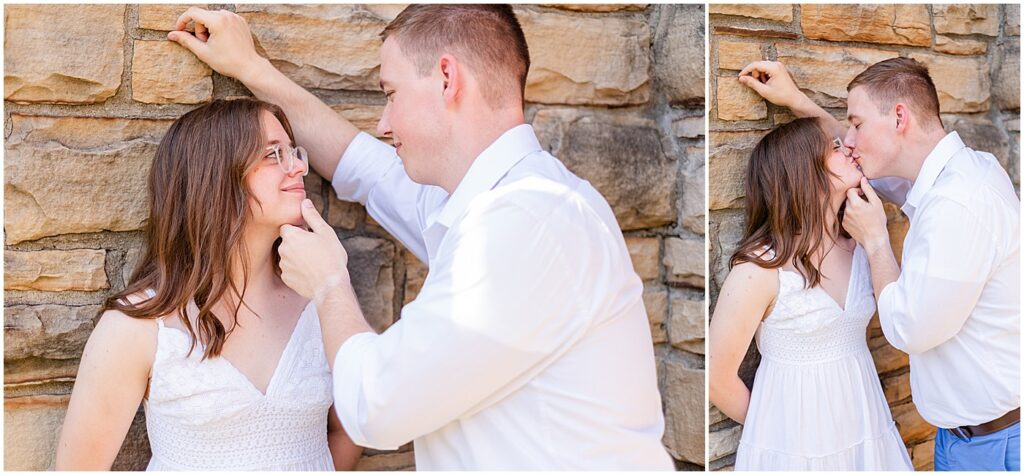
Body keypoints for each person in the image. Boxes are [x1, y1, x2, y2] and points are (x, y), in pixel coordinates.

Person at [167, 5, 674, 470]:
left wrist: (327, 285)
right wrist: (252, 70)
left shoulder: (520, 223)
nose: (385, 123)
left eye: (390, 93)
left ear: (448, 78)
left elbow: (377, 407)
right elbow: (366, 170)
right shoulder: (510, 199)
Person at [738, 58, 1020, 471]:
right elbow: (855, 165)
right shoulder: (957, 172)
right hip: (965, 437)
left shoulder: (958, 204)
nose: (848, 138)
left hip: (996, 448)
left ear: (899, 117)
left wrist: (874, 240)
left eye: (856, 123)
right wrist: (798, 102)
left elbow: (908, 329)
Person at [55, 99, 362, 470]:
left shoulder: (322, 299)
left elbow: (348, 431)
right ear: (215, 177)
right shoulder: (139, 325)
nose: (298, 166)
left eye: (293, 152)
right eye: (273, 154)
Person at [709, 117, 913, 470]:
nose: (847, 146)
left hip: (864, 425)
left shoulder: (861, 244)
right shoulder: (759, 271)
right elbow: (716, 377)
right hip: (794, 445)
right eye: (834, 147)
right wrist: (775, 434)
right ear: (804, 173)